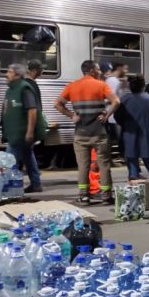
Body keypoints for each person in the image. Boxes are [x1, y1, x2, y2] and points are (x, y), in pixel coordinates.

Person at [54, 60, 119, 205]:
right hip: (99, 133)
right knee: (104, 165)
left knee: (83, 166)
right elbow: (116, 102)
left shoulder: (72, 86)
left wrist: (72, 116)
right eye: (98, 69)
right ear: (91, 71)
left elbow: (57, 104)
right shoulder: (101, 85)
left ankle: (84, 196)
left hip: (81, 134)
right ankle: (106, 196)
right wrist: (107, 115)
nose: (100, 72)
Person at [0, 64, 42, 193]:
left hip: (21, 132)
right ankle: (36, 184)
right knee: (28, 156)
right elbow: (7, 111)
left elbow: (32, 110)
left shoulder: (24, 88)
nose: (6, 74)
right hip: (14, 131)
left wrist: (30, 132)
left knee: (9, 159)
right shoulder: (10, 90)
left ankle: (6, 188)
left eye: (9, 72)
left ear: (17, 75)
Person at [115, 75, 149, 180]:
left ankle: (134, 191)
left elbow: (118, 117)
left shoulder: (124, 100)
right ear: (143, 86)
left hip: (129, 137)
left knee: (132, 166)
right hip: (148, 137)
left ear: (130, 87)